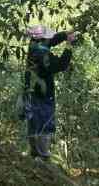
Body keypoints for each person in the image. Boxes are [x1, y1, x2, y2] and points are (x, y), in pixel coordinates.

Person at [23, 24, 76, 162]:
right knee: (44, 123)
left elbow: (51, 40)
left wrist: (66, 34)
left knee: (33, 122)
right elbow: (61, 65)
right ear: (43, 39)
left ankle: (35, 154)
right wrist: (69, 45)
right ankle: (43, 156)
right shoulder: (43, 55)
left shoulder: (34, 46)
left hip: (31, 91)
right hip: (43, 94)